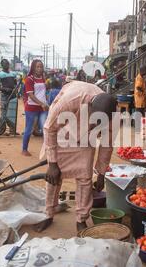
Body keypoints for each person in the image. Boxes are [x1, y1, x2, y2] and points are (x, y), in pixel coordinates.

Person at [39, 81, 117, 233]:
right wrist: (53, 163)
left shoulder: (113, 114)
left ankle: (81, 219)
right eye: (95, 121)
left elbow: (107, 144)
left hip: (86, 140)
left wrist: (101, 173)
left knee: (84, 179)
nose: (96, 126)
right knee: (54, 179)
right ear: (90, 108)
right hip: (62, 134)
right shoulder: (72, 99)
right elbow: (49, 128)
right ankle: (48, 214)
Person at [22, 59, 49, 157]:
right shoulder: (29, 79)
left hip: (42, 108)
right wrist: (41, 103)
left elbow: (43, 92)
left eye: (41, 66)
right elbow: (31, 95)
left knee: (45, 128)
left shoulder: (43, 78)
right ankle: (24, 149)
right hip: (32, 108)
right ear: (33, 68)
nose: (40, 68)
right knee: (29, 129)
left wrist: (45, 102)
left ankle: (48, 150)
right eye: (37, 66)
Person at [0, 59, 19, 135]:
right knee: (4, 113)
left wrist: (16, 89)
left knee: (12, 113)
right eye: (5, 64)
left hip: (13, 96)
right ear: (2, 65)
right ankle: (1, 129)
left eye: (8, 64)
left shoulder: (13, 74)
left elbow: (15, 84)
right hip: (4, 96)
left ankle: (12, 130)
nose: (7, 65)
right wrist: (5, 89)